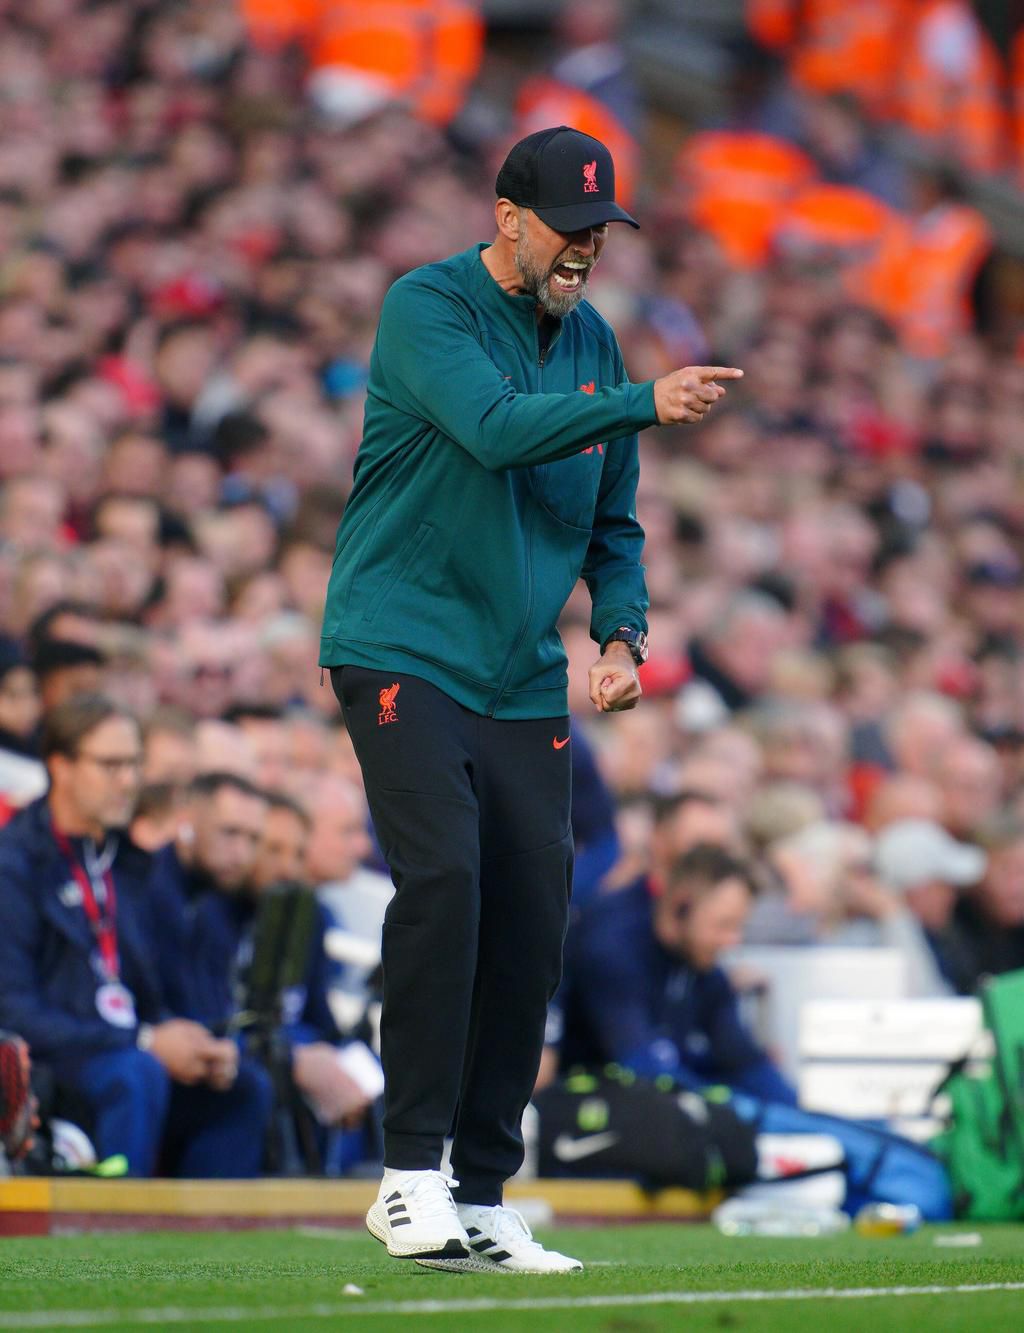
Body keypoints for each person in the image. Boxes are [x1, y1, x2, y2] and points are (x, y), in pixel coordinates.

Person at [318, 124, 742, 1273]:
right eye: (569, 224)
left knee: (529, 913)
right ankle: (406, 1177)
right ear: (507, 215)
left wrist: (620, 631)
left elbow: (612, 521)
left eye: (600, 228)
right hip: (401, 640)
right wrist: (642, 403)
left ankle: (484, 1188)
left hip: (516, 669)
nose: (585, 247)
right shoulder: (428, 307)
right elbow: (499, 432)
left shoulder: (595, 337)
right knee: (446, 879)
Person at [0, 694, 270, 1178]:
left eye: (134, 764)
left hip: (123, 1048)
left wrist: (194, 1043)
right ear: (60, 766)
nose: (128, 782)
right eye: (110, 765)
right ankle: (113, 1234)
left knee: (243, 1086)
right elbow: (15, 1011)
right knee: (136, 1072)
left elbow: (147, 996)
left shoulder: (130, 866)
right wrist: (145, 1040)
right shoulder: (15, 863)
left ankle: (205, 1243)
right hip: (56, 1060)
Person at [559, 843, 797, 1104]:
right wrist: (741, 1110)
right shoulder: (614, 951)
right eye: (724, 925)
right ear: (682, 907)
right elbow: (643, 1068)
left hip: (673, 1106)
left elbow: (744, 1060)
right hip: (600, 1111)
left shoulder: (702, 964)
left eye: (739, 928)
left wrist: (804, 1115)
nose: (733, 941)